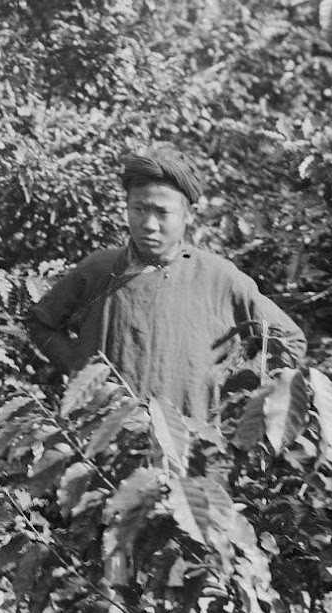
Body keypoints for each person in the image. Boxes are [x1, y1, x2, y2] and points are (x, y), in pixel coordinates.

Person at [24, 146, 305, 423]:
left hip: (191, 445)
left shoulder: (220, 278)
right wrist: (80, 368)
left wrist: (232, 384)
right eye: (139, 208)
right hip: (103, 441)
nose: (148, 223)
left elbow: (291, 342)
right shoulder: (98, 270)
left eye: (162, 212)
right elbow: (41, 323)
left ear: (188, 214)